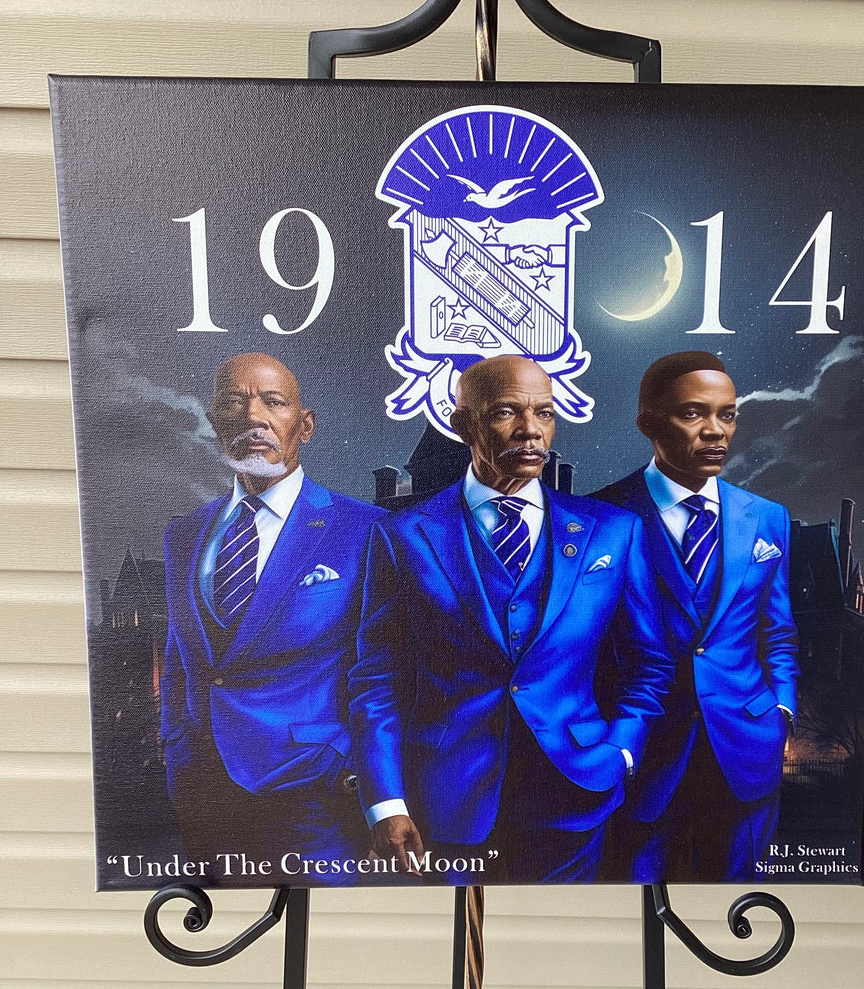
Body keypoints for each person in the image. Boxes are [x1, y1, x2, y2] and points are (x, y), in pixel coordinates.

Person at [348, 354, 673, 884]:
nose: (530, 430)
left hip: (577, 794)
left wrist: (622, 751)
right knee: (454, 935)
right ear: (462, 425)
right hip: (444, 804)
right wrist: (386, 801)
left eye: (544, 413)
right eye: (505, 412)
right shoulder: (401, 536)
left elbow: (648, 663)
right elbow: (377, 681)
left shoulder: (613, 531)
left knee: (562, 935)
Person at [160, 353, 384, 881]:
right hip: (200, 791)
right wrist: (175, 746)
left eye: (273, 402)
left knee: (326, 929)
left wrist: (357, 772)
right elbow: (180, 656)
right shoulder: (184, 532)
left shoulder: (367, 529)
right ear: (215, 424)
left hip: (315, 795)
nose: (253, 416)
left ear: (304, 425)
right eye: (234, 403)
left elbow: (387, 670)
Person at [593, 351, 799, 882]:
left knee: (735, 902)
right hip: (640, 754)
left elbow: (778, 632)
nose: (715, 431)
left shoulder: (767, 518)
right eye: (693, 413)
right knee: (630, 901)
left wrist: (782, 710)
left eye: (727, 415)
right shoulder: (598, 517)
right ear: (647, 423)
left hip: (747, 749)